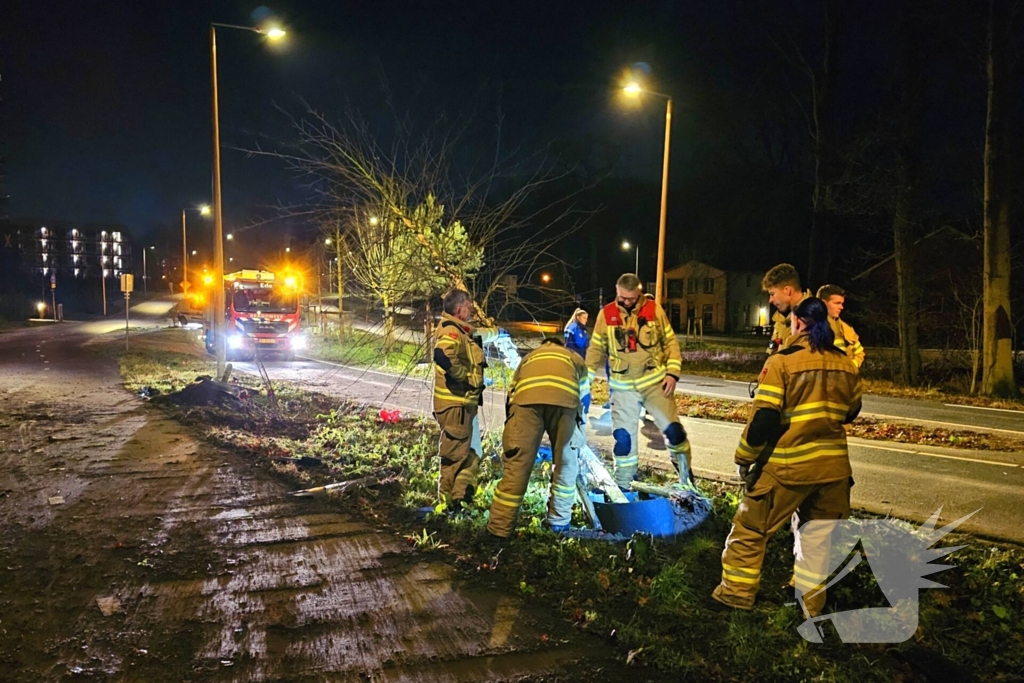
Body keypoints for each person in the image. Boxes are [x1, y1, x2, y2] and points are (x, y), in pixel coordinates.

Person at [711, 297, 861, 616]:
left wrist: (744, 457)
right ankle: (810, 606)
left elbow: (764, 419)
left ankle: (735, 596)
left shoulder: (783, 362)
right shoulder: (846, 363)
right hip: (833, 470)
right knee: (818, 539)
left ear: (798, 323)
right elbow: (851, 412)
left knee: (750, 528)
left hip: (789, 466)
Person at [585, 273, 692, 488]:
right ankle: (624, 487)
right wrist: (584, 383)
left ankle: (686, 480)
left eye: (631, 299)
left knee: (675, 432)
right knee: (624, 440)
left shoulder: (654, 310)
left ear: (639, 293)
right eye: (622, 298)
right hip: (623, 388)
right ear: (617, 291)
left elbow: (670, 342)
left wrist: (672, 373)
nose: (626, 302)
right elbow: (596, 350)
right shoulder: (606, 314)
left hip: (655, 385)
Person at [486, 337, 590, 538]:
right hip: (566, 404)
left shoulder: (530, 357)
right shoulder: (574, 357)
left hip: (526, 404)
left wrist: (512, 426)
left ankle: (498, 530)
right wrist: (579, 429)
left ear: (543, 345)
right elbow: (584, 397)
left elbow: (512, 393)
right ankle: (558, 524)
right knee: (566, 463)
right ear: (561, 346)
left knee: (517, 466)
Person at [431, 289, 499, 511]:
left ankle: (458, 500)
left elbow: (479, 334)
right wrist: (465, 378)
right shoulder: (451, 332)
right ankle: (446, 504)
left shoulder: (462, 331)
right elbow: (442, 355)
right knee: (454, 457)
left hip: (463, 406)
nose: (471, 310)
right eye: (469, 307)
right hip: (455, 406)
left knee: (470, 454)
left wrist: (498, 333)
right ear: (459, 310)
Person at [762, 264, 809, 355]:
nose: (770, 300)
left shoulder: (817, 318)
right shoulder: (780, 321)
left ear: (787, 291)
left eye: (772, 294)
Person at [816, 284, 865, 370]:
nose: (841, 307)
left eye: (842, 303)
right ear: (823, 304)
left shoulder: (847, 328)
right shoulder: (809, 327)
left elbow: (859, 353)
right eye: (837, 303)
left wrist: (851, 367)